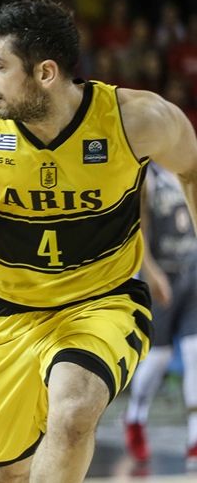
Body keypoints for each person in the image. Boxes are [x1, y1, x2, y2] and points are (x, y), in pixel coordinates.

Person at [0, 0, 197, 483]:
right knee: (6, 472)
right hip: (7, 306)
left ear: (46, 72)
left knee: (75, 412)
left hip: (103, 300)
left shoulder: (137, 119)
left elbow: (192, 168)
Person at [123, 161, 197, 469]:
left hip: (191, 271)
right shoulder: (148, 176)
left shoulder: (188, 168)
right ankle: (135, 416)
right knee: (159, 357)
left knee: (195, 353)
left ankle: (194, 439)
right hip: (161, 273)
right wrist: (150, 271)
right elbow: (137, 229)